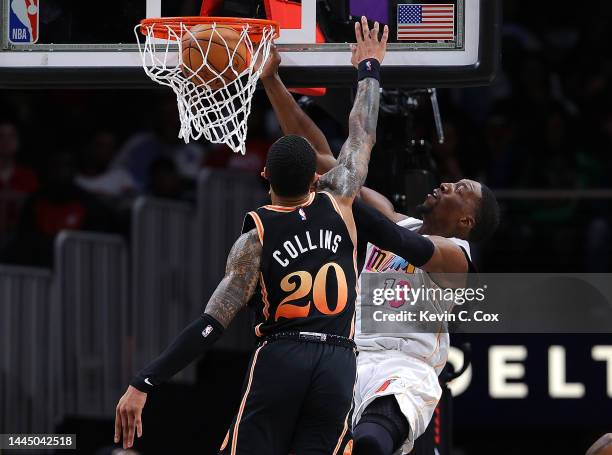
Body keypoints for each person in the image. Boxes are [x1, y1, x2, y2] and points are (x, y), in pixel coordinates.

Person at [114, 17, 389, 454]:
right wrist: (369, 67)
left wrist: (145, 381)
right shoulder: (340, 197)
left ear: (264, 176)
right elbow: (362, 134)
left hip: (282, 357)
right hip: (339, 360)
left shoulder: (256, 235)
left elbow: (211, 325)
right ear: (317, 179)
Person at [260, 47, 500, 454]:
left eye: (461, 190)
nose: (447, 184)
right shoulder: (394, 216)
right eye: (452, 181)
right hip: (347, 356)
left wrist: (335, 189)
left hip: (405, 367)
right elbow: (321, 154)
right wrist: (271, 81)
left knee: (372, 442)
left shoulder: (457, 256)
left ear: (467, 223)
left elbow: (397, 240)